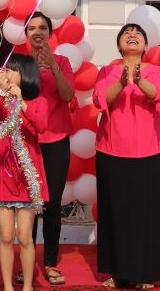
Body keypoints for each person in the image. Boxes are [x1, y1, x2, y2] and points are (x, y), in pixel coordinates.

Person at [93, 22, 160, 290]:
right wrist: (121, 82)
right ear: (119, 45)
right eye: (127, 33)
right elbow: (100, 100)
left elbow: (157, 95)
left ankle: (145, 273)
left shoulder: (155, 71)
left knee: (145, 214)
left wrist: (139, 80)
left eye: (137, 33)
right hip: (111, 150)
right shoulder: (107, 71)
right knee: (115, 212)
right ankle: (117, 271)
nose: (132, 35)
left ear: (145, 45)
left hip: (148, 151)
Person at [0, 55, 49, 291]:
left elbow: (41, 125)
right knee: (5, 235)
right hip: (3, 172)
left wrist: (21, 101)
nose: (7, 74)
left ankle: (28, 286)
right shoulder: (1, 99)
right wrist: (0, 92)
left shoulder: (38, 101)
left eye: (12, 70)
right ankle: (8, 286)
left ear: (26, 74)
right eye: (6, 70)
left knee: (24, 236)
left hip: (27, 174)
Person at [26, 11, 74, 286]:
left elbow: (67, 95)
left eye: (43, 27)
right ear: (26, 34)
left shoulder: (63, 61)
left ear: (50, 33)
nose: (37, 32)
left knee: (52, 204)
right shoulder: (20, 63)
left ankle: (50, 263)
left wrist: (53, 67)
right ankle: (27, 264)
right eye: (32, 28)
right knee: (29, 205)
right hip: (28, 141)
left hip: (56, 140)